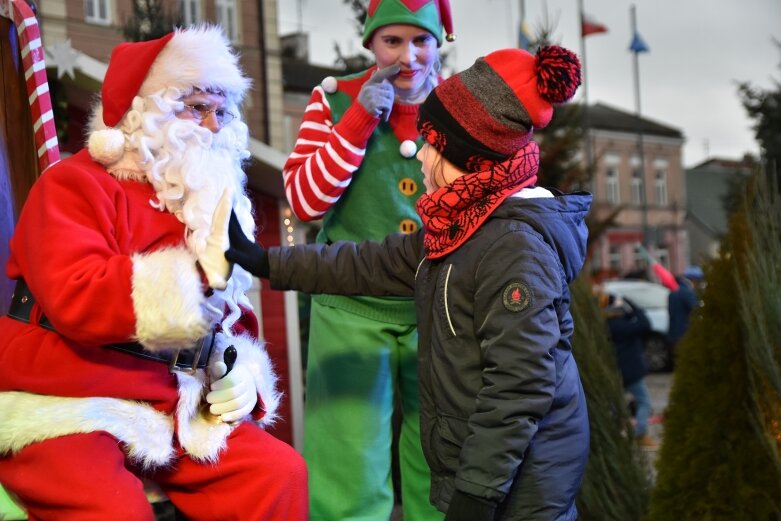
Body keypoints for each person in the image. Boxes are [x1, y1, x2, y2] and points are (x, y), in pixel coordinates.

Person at [227, 44, 591, 521]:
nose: (419, 156)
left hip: (524, 484)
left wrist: (477, 495)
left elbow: (519, 387)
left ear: (465, 157)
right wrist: (265, 262)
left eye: (431, 143)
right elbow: (365, 264)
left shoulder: (514, 248)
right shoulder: (461, 225)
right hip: (486, 472)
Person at [0, 26, 307, 520]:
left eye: (222, 110)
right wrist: (194, 274)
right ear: (147, 110)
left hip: (171, 400)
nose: (211, 125)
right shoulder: (73, 184)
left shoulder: (198, 199)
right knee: (112, 510)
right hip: (66, 393)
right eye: (195, 106)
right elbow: (75, 297)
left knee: (278, 474)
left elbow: (230, 314)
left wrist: (241, 373)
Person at [282, 0, 454, 519]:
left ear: (436, 42)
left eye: (420, 41)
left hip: (438, 309)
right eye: (393, 42)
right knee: (346, 465)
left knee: (443, 459)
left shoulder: (458, 103)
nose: (409, 56)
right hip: (350, 306)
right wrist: (357, 121)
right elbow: (305, 202)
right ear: (371, 44)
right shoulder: (334, 101)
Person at [601, 294, 658, 449]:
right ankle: (640, 433)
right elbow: (645, 324)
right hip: (631, 372)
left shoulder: (607, 325)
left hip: (616, 371)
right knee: (644, 401)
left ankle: (612, 432)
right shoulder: (622, 325)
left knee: (615, 404)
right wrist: (634, 308)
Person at [667, 264, 704, 351]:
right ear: (694, 280)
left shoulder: (673, 292)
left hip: (673, 334)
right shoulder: (687, 293)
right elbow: (696, 310)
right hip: (684, 334)